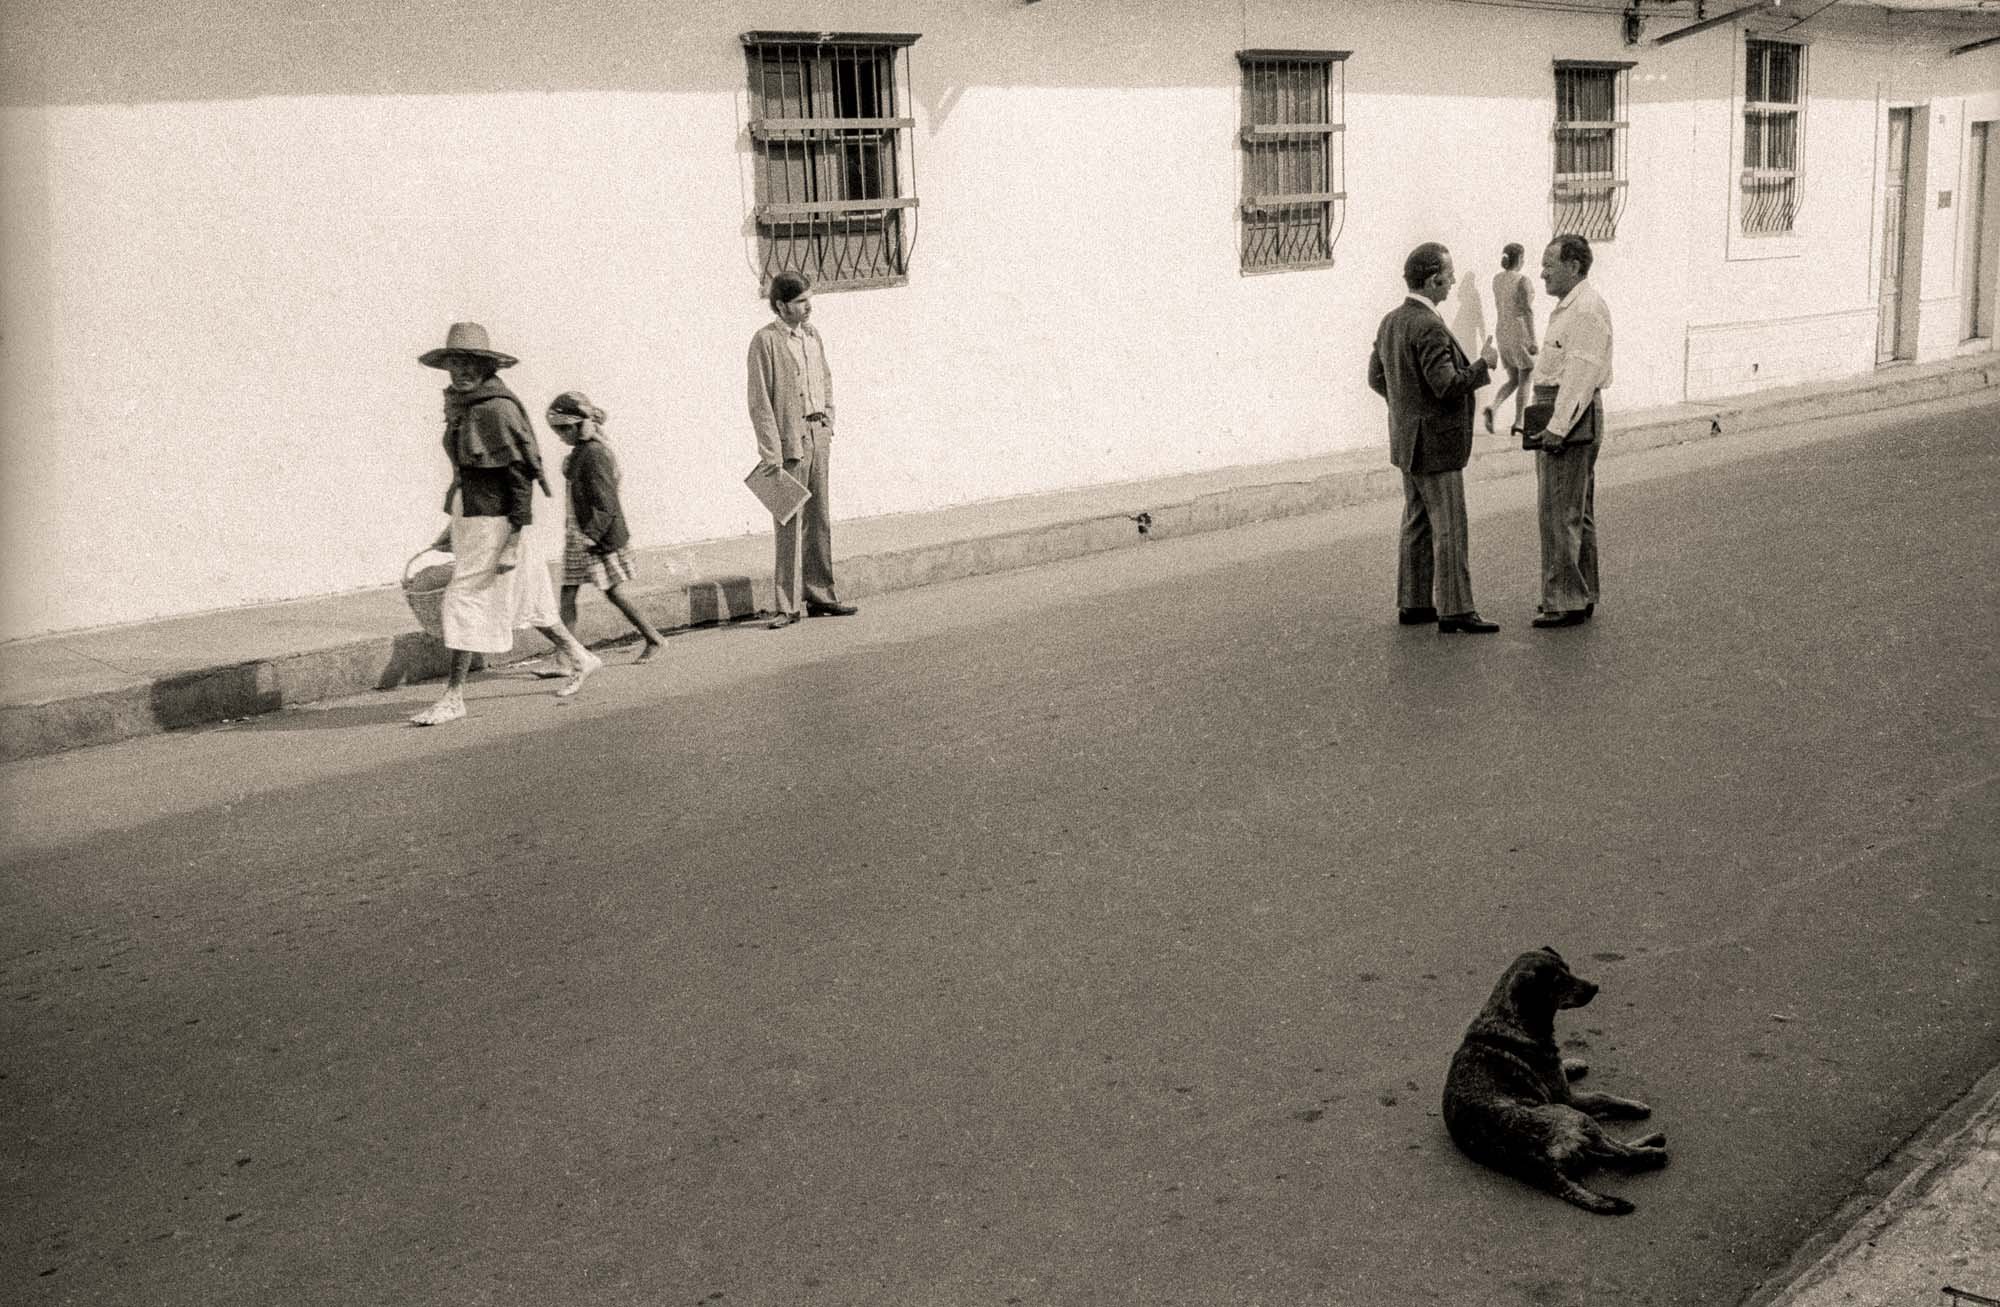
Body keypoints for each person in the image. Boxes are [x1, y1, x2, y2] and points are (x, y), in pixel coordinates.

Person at [412, 322, 600, 726]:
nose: (460, 371)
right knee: (530, 597)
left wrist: (513, 539)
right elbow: (468, 471)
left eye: (470, 363)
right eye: (455, 362)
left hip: (497, 522)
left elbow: (520, 477)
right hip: (475, 516)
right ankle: (580, 656)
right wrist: (453, 524)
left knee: (462, 600)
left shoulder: (497, 408)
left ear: (485, 367)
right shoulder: (465, 405)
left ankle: (454, 696)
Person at [1367, 242, 1502, 634]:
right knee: (1449, 527)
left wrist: (1407, 410)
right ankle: (1456, 609)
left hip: (1407, 440)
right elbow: (1445, 385)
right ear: (1432, 280)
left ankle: (1414, 603)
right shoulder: (1428, 324)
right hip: (1437, 444)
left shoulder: (1391, 320)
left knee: (1417, 522)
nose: (1453, 281)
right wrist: (1483, 365)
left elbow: (1377, 378)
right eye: (1448, 275)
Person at [747, 272, 859, 629]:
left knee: (819, 518)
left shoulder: (813, 336)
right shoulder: (765, 341)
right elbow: (760, 401)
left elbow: (825, 379)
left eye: (809, 299)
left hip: (817, 433)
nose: (808, 307)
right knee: (788, 521)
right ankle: (787, 605)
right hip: (788, 440)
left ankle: (821, 594)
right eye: (800, 302)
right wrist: (770, 452)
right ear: (781, 306)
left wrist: (829, 420)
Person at [1523, 234, 1614, 629]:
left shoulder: (1586, 310)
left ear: (1574, 266)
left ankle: (1564, 599)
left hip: (1569, 413)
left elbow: (1580, 373)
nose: (1541, 272)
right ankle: (1582, 591)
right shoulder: (1570, 307)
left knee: (1558, 510)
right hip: (1564, 408)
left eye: (1549, 263)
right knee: (1577, 509)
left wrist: (1558, 428)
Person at [547, 390, 667, 666]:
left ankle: (652, 638)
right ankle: (566, 660)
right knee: (570, 592)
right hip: (581, 534)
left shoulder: (595, 453)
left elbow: (606, 502)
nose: (560, 435)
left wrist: (592, 536)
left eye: (565, 428)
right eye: (558, 430)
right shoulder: (582, 452)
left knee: (607, 592)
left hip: (593, 536)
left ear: (581, 425)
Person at [1484, 242, 1539, 436]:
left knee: (1514, 378)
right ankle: (1519, 422)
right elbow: (1527, 310)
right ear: (1520, 259)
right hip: (1520, 331)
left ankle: (1494, 406)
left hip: (1503, 331)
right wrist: (1533, 339)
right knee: (1526, 376)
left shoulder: (1497, 279)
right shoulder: (1523, 280)